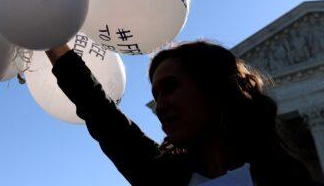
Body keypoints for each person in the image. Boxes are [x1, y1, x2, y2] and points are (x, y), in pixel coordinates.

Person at [46, 40, 318, 185]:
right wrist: (47, 34)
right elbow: (99, 110)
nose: (161, 105)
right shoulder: (161, 176)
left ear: (215, 88)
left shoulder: (283, 176)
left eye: (171, 87)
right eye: (156, 95)